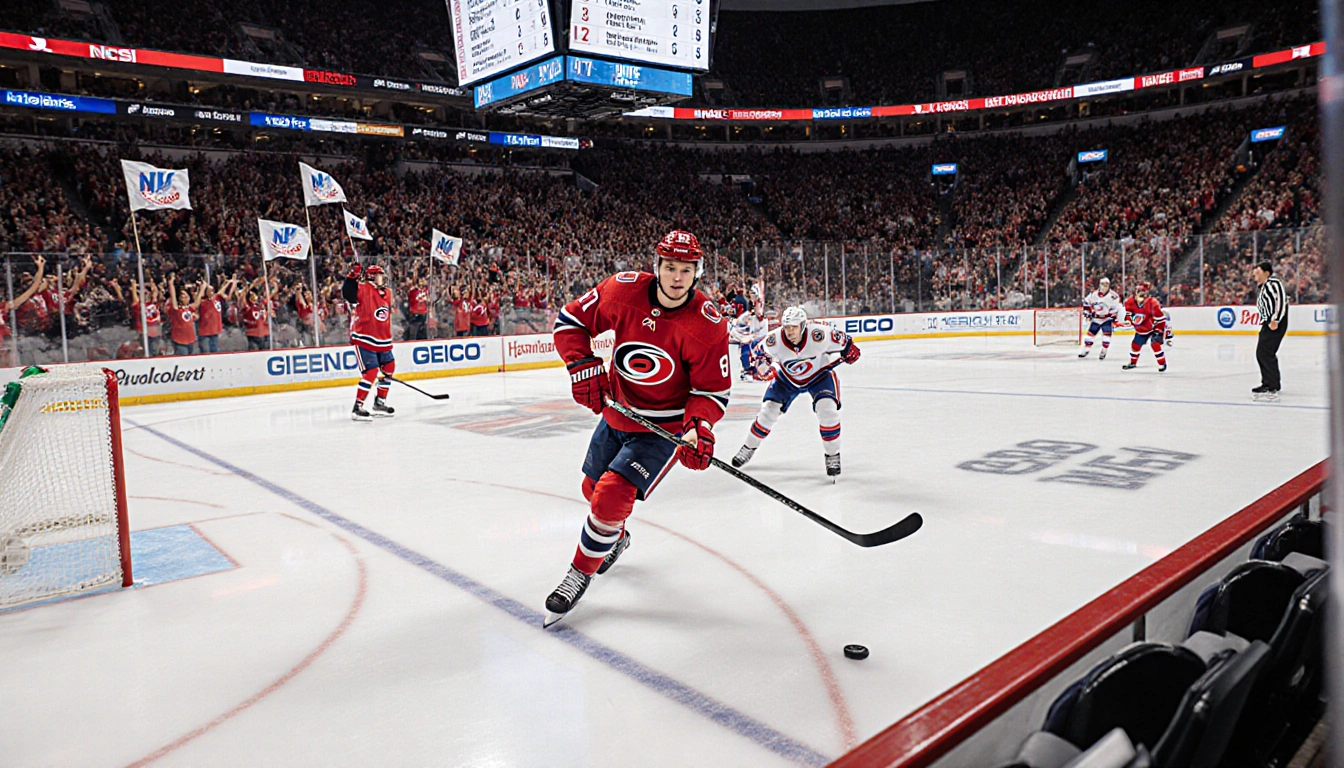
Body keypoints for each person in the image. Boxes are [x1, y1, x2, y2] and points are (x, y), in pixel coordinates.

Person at [543, 230, 731, 627]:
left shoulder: (707, 323)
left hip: (662, 431)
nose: (677, 277)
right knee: (592, 492)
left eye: (685, 269)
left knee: (611, 496)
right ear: (656, 265)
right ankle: (616, 537)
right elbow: (570, 321)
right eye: (669, 267)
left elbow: (712, 390)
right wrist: (581, 364)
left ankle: (579, 573)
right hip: (617, 413)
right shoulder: (621, 290)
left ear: (696, 272)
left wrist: (698, 428)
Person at [730, 306, 860, 478]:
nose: (790, 331)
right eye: (787, 327)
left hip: (819, 377)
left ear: (803, 325)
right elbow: (756, 352)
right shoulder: (774, 340)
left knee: (828, 412)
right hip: (786, 379)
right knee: (768, 412)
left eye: (794, 327)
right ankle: (748, 447)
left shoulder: (819, 334)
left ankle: (832, 455)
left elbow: (845, 342)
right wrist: (757, 364)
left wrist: (850, 351)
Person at [343, 263, 396, 421]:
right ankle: (357, 407)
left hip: (384, 340)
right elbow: (348, 294)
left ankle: (380, 403)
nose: (383, 278)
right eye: (380, 275)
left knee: (389, 368)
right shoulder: (363, 288)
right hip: (365, 338)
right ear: (372, 277)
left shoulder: (387, 292)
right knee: (371, 372)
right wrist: (352, 276)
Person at [1252, 260, 1289, 400]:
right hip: (1269, 321)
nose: (1255, 273)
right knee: (1263, 352)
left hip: (1275, 321)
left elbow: (1280, 300)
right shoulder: (1262, 286)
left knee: (1265, 351)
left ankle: (1271, 384)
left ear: (1266, 273)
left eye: (1258, 270)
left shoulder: (1273, 283)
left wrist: (1275, 319)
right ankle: (1269, 382)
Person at [0, 256, 44, 364]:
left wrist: (41, 268)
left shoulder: (4, 306)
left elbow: (30, 291)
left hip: (6, 340)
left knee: (11, 355)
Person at [1121, 283, 1167, 372]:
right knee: (1135, 345)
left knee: (1155, 344)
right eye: (1138, 292)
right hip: (1141, 329)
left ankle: (1162, 363)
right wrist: (1129, 320)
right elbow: (1128, 315)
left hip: (1154, 327)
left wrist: (1159, 330)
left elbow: (1160, 319)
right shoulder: (1129, 302)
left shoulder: (1152, 303)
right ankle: (1133, 362)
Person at [1079, 277, 1123, 360]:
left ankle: (1104, 350)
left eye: (1106, 284)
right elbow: (1086, 303)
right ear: (1099, 285)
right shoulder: (1093, 294)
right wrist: (1087, 312)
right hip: (1096, 319)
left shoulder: (1113, 296)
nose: (1104, 286)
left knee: (1107, 337)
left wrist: (1111, 316)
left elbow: (1116, 308)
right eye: (1103, 284)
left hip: (1106, 319)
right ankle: (1086, 349)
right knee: (1090, 335)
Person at [166, 275, 206, 357]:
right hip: (180, 340)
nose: (187, 297)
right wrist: (171, 284)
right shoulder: (176, 309)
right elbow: (173, 297)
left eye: (187, 296)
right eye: (184, 296)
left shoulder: (189, 308)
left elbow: (197, 302)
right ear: (180, 298)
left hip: (191, 340)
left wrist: (202, 288)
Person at [729, 307, 769, 379]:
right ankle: (748, 369)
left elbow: (763, 333)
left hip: (757, 340)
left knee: (754, 348)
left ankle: (753, 369)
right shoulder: (747, 317)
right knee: (746, 348)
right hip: (747, 339)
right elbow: (738, 326)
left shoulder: (764, 321)